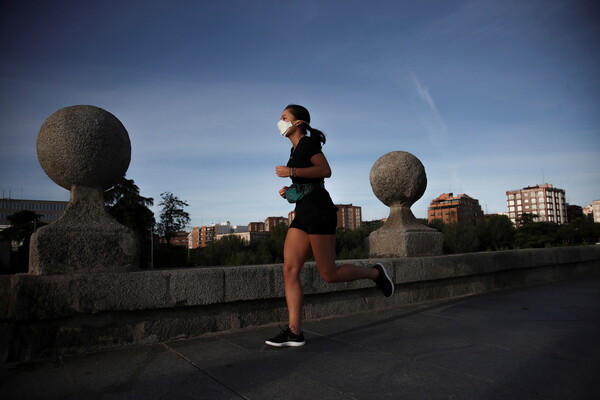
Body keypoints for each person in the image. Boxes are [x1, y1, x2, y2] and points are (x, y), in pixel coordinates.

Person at [265, 104, 394, 348]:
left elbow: (325, 171)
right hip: (302, 212)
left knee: (329, 274)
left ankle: (375, 273)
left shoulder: (308, 143)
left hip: (320, 212)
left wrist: (290, 171)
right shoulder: (294, 151)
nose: (279, 121)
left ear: (298, 123)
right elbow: (309, 183)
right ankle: (294, 333)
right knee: (290, 270)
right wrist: (290, 191)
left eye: (284, 117)